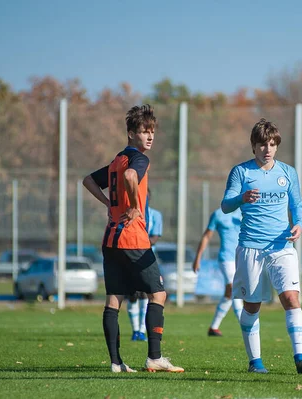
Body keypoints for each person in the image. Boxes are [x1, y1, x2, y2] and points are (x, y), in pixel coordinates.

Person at [82, 104, 183, 373]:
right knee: (158, 294)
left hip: (110, 239)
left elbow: (88, 180)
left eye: (152, 132)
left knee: (114, 299)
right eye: (143, 131)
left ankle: (116, 363)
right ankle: (154, 357)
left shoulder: (116, 160)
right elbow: (130, 176)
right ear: (130, 134)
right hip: (133, 238)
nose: (149, 137)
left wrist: (107, 202)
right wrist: (136, 206)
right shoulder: (138, 160)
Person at [221, 118, 302, 375]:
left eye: (272, 144)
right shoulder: (241, 172)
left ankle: (300, 356)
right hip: (250, 247)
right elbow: (225, 205)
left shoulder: (287, 172)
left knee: (291, 298)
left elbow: (297, 205)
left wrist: (298, 224)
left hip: (281, 246)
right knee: (252, 305)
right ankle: (255, 361)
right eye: (263, 144)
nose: (268, 149)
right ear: (254, 146)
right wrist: (241, 198)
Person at [192, 207, 243, 336]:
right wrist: (197, 258)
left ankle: (214, 327)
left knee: (229, 294)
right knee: (233, 289)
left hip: (242, 258)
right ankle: (245, 326)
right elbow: (207, 236)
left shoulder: (245, 211)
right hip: (226, 258)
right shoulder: (218, 214)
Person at [128, 189, 163, 342]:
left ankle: (141, 330)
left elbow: (155, 236)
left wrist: (141, 244)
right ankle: (135, 329)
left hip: (146, 256)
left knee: (145, 293)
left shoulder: (155, 215)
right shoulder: (129, 213)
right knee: (132, 294)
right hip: (129, 255)